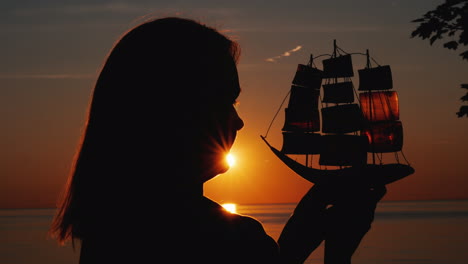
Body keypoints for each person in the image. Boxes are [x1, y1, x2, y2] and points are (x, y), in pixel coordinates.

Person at [49, 16, 387, 264]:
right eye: (225, 100)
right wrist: (339, 252)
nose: (238, 121)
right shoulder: (232, 241)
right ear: (176, 110)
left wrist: (295, 241)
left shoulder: (110, 233)